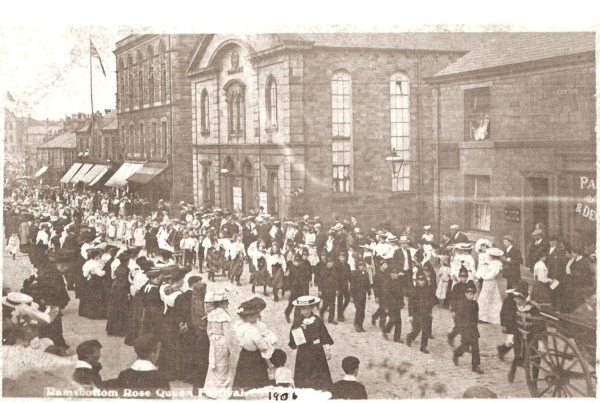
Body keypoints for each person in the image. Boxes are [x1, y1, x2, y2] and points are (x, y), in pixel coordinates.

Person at [232, 296, 277, 393]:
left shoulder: (240, 326)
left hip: (244, 354)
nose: (257, 317)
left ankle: (241, 390)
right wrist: (266, 341)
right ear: (248, 317)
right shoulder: (252, 330)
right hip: (255, 356)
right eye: (255, 315)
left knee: (242, 374)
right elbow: (262, 345)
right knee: (256, 376)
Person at [289, 296, 334, 391]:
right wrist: (294, 342)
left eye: (307, 309)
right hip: (303, 351)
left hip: (317, 349)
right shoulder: (298, 321)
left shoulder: (317, 320)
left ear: (311, 308)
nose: (305, 312)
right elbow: (293, 336)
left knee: (319, 370)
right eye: (303, 309)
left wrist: (327, 349)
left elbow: (324, 335)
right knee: (304, 371)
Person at [203, 290, 233, 399]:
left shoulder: (211, 314)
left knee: (214, 364)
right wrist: (231, 349)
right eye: (226, 301)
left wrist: (212, 339)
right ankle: (221, 391)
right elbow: (228, 334)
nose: (228, 303)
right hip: (223, 341)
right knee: (223, 365)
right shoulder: (224, 316)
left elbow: (209, 330)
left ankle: (211, 389)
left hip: (214, 341)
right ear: (222, 303)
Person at [452, 281, 484, 374]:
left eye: (472, 294)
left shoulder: (475, 304)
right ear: (465, 294)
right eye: (469, 294)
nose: (471, 296)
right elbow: (458, 318)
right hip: (465, 329)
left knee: (475, 346)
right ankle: (456, 354)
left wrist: (475, 326)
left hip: (473, 328)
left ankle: (475, 366)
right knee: (465, 346)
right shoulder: (461, 304)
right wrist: (461, 328)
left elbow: (476, 316)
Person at [406, 271, 437, 354]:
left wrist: (430, 312)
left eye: (423, 280)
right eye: (420, 280)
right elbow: (410, 304)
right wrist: (410, 315)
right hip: (416, 313)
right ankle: (410, 337)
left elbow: (431, 302)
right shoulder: (414, 290)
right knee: (417, 329)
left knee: (426, 329)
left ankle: (423, 346)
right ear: (417, 281)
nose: (422, 282)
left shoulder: (428, 290)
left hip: (426, 312)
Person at [106, 250, 131, 337]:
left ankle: (112, 329)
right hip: (122, 291)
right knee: (122, 310)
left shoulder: (118, 267)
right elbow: (126, 282)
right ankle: (120, 330)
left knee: (114, 309)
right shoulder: (127, 270)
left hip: (115, 289)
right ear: (127, 261)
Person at [476, 247, 504, 324]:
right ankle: (484, 317)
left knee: (488, 299)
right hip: (487, 282)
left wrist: (484, 276)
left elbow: (492, 274)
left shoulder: (497, 264)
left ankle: (487, 317)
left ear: (493, 256)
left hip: (490, 282)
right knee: (485, 299)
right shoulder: (491, 263)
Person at [285, 254, 311, 323]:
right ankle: (287, 314)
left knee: (298, 305)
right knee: (291, 304)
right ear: (293, 261)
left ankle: (296, 319)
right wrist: (288, 289)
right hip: (293, 289)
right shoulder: (290, 268)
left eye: (298, 261)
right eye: (295, 261)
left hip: (300, 289)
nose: (297, 263)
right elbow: (287, 279)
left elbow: (306, 278)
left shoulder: (302, 268)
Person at [447, 267, 470, 347]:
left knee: (466, 327)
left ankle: (464, 345)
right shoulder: (456, 287)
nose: (464, 279)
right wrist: (453, 310)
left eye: (465, 277)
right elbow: (453, 299)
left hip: (466, 310)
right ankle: (451, 336)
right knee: (459, 327)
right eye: (462, 277)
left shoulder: (469, 286)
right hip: (458, 310)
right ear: (459, 277)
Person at [349, 260, 371, 332]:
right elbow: (352, 285)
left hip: (363, 295)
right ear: (358, 266)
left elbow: (368, 284)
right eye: (360, 266)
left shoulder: (366, 274)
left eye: (363, 266)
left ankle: (360, 325)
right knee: (359, 310)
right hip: (356, 295)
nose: (362, 267)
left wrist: (369, 293)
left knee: (362, 311)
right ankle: (356, 324)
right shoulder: (354, 273)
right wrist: (351, 296)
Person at [318, 256, 338, 324]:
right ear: (327, 263)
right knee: (325, 304)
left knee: (332, 305)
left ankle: (331, 319)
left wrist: (337, 289)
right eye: (329, 262)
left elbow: (336, 280)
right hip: (325, 290)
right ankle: (321, 312)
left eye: (332, 262)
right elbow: (320, 281)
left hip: (332, 289)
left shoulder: (334, 270)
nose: (330, 264)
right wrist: (320, 290)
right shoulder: (323, 270)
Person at [370, 257, 389, 328]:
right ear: (380, 266)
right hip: (381, 294)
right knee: (384, 308)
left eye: (386, 264)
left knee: (382, 308)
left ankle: (374, 316)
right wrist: (376, 296)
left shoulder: (387, 273)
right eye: (384, 265)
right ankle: (382, 324)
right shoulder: (377, 275)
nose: (386, 266)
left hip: (387, 294)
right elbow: (375, 287)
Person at [334, 251, 351, 322]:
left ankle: (341, 311)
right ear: (339, 258)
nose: (343, 258)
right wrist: (336, 289)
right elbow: (335, 277)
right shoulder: (337, 265)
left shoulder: (347, 265)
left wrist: (351, 284)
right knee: (340, 300)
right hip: (339, 285)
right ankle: (339, 316)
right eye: (341, 257)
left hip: (345, 285)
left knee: (348, 299)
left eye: (344, 257)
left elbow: (350, 276)